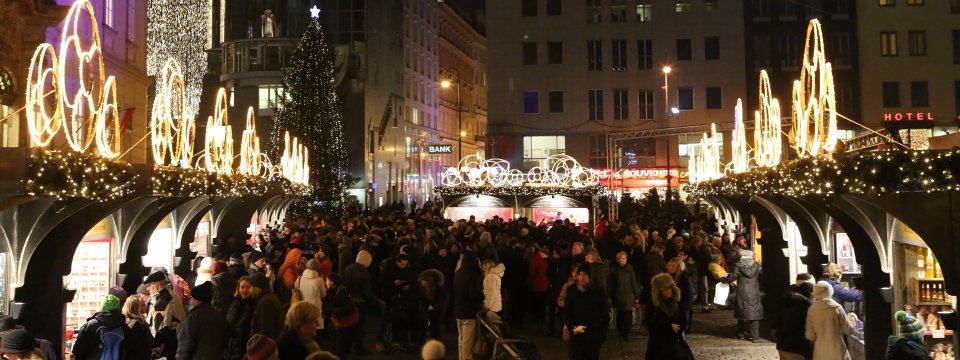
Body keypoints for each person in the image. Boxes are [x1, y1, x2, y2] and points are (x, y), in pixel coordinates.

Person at [564, 266, 610, 360]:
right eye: (580, 274)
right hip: (576, 338)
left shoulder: (598, 291)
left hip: (593, 338)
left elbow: (605, 316)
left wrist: (600, 337)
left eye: (584, 274)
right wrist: (572, 327)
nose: (581, 277)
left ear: (590, 276)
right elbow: (567, 312)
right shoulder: (572, 290)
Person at [646, 273, 694, 360]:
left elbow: (684, 320)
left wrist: (679, 328)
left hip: (675, 340)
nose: (669, 291)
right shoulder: (654, 305)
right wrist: (669, 326)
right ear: (659, 291)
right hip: (659, 344)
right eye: (665, 289)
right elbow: (651, 325)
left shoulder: (676, 302)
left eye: (670, 288)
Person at [176, 281, 228, 359]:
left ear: (197, 300)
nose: (190, 300)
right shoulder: (219, 315)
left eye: (192, 297)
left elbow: (185, 343)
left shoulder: (194, 317)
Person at [806, 281, 853, 360]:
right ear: (830, 291)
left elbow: (810, 335)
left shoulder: (811, 309)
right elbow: (849, 330)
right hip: (838, 350)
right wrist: (852, 318)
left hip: (820, 353)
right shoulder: (836, 307)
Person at [144, 271, 186, 359]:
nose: (147, 289)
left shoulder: (162, 303)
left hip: (166, 350)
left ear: (158, 285)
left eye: (149, 285)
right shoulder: (173, 295)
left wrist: (154, 355)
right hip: (174, 345)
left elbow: (159, 332)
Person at [71, 294, 128, 360]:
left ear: (101, 307)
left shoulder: (90, 326)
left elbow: (78, 351)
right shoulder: (125, 327)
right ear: (118, 308)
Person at [454, 250, 483, 360]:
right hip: (469, 312)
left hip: (458, 310)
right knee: (468, 342)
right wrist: (482, 297)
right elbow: (473, 294)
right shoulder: (473, 275)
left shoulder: (458, 272)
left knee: (461, 339)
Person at [773, 281, 813, 360]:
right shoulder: (806, 306)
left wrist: (778, 334)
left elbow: (777, 321)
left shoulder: (787, 302)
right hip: (797, 346)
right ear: (809, 293)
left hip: (782, 345)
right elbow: (794, 325)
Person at [325, 273, 358, 359]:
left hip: (341, 323)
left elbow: (349, 308)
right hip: (333, 323)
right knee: (334, 347)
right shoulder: (329, 291)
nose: (326, 282)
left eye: (327, 280)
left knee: (339, 349)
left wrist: (333, 310)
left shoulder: (342, 292)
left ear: (332, 282)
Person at [610, 251, 641, 341]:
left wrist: (636, 297)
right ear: (618, 260)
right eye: (622, 258)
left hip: (629, 295)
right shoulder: (614, 269)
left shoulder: (630, 268)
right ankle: (620, 331)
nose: (624, 260)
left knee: (627, 315)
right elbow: (612, 283)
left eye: (625, 258)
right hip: (618, 294)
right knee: (620, 314)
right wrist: (611, 295)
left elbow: (634, 282)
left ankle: (626, 332)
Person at [733, 250, 763, 342]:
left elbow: (733, 276)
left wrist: (724, 280)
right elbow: (762, 276)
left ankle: (741, 334)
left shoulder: (738, 265)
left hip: (742, 291)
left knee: (741, 311)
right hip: (753, 291)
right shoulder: (757, 265)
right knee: (754, 312)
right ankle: (755, 337)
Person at [225, 276, 257, 360]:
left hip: (242, 348)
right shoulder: (234, 303)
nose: (244, 290)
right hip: (230, 346)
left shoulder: (253, 306)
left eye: (248, 287)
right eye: (242, 287)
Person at [248, 272, 285, 340]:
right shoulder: (269, 298)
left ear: (257, 287)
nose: (249, 290)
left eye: (250, 287)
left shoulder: (266, 302)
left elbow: (266, 330)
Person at [298, 259, 327, 336]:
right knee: (316, 328)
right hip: (316, 307)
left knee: (306, 329)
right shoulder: (319, 280)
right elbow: (323, 294)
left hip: (303, 306)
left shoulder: (300, 278)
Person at [121, 295, 154, 360]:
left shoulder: (138, 321)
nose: (146, 306)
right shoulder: (134, 323)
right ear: (137, 308)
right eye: (143, 305)